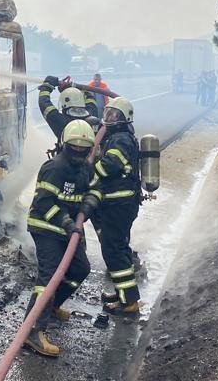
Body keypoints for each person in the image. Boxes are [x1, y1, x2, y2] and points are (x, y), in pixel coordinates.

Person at [24, 119, 102, 357]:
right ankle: (33, 331)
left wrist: (89, 204)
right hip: (46, 227)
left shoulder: (86, 168)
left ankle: (51, 305)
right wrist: (68, 223)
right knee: (49, 277)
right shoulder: (54, 168)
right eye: (74, 148)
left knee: (80, 269)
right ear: (64, 145)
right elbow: (43, 203)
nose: (78, 153)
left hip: (68, 230)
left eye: (83, 149)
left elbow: (96, 187)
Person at [92, 97, 143, 315]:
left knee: (113, 250)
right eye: (107, 114)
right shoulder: (119, 136)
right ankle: (124, 294)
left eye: (113, 116)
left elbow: (109, 166)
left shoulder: (121, 139)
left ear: (124, 119)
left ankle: (129, 303)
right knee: (120, 248)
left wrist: (88, 173)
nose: (108, 119)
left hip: (119, 204)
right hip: (120, 203)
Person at [38, 76, 99, 146]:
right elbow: (90, 98)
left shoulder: (60, 120)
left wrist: (47, 86)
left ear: (64, 104)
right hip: (91, 155)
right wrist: (76, 87)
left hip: (66, 155)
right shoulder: (92, 114)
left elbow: (43, 103)